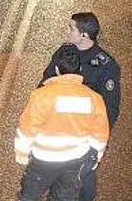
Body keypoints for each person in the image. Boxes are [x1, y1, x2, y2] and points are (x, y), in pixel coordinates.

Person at [40, 13, 120, 201]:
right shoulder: (64, 51)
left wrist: (96, 143)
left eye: (71, 28)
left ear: (84, 35)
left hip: (84, 140)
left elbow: (110, 109)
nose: (66, 31)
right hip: (59, 134)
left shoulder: (106, 66)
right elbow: (46, 81)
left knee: (84, 188)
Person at [16, 46, 110, 201]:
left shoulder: (41, 96)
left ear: (57, 70)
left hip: (43, 160)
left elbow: (27, 130)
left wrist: (22, 154)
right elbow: (100, 135)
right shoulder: (94, 99)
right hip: (75, 161)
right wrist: (95, 158)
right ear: (80, 69)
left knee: (29, 196)